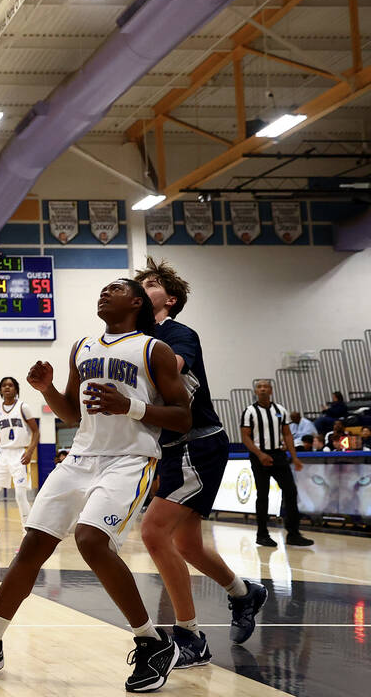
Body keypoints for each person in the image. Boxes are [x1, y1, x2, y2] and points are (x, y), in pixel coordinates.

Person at [0, 278, 192, 692]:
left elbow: (183, 416)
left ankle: (152, 642)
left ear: (135, 301)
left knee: (91, 540)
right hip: (79, 458)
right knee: (31, 548)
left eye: (114, 289)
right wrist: (48, 390)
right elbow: (72, 415)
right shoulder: (82, 347)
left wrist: (129, 405)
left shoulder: (155, 349)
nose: (102, 292)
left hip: (129, 460)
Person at [133, 259, 267, 665]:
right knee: (186, 543)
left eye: (151, 283)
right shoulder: (136, 337)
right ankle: (245, 593)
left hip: (198, 443)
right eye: (139, 282)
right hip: (172, 449)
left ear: (169, 299)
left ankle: (189, 637)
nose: (142, 286)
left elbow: (171, 368)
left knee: (153, 533)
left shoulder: (176, 334)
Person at [240, 380, 313, 548]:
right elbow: (245, 437)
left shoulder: (280, 410)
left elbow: (287, 434)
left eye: (266, 386)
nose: (263, 389)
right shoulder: (249, 412)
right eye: (259, 387)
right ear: (256, 391)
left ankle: (293, 533)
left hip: (278, 455)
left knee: (291, 491)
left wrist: (294, 457)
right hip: (259, 456)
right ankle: (262, 534)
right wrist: (260, 454)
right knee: (263, 495)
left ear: (271, 390)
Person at [0, 376, 39, 549]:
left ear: (16, 389)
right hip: (2, 454)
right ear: (0, 390)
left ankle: (26, 534)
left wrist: (29, 451)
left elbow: (36, 432)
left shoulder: (23, 407)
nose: (7, 388)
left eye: (11, 385)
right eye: (4, 386)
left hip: (20, 453)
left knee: (20, 495)